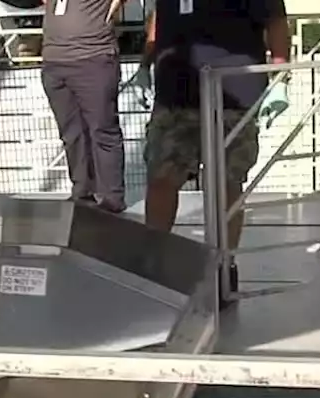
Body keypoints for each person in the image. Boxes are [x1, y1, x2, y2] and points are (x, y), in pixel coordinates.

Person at [137, 0, 290, 300]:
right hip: (174, 98)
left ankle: (224, 264)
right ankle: (154, 261)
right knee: (161, 178)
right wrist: (146, 61)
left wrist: (281, 76)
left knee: (227, 184)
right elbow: (159, 17)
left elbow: (276, 21)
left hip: (234, 97)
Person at [40, 0, 127, 212]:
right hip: (54, 62)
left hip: (93, 58)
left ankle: (111, 196)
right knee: (71, 134)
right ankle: (82, 190)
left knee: (102, 129)